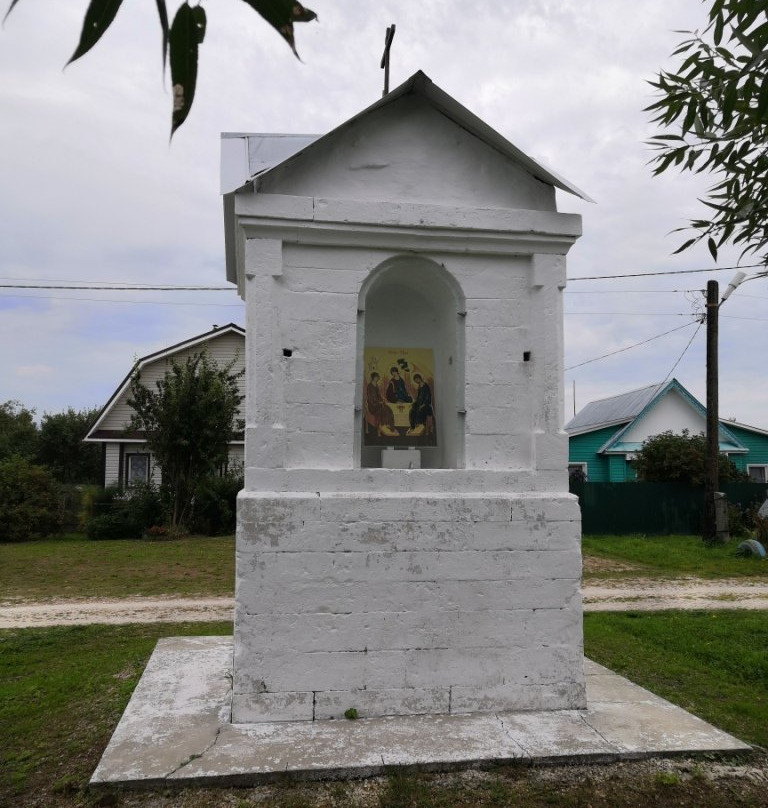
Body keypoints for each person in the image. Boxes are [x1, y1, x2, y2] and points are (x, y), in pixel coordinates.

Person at [365, 372, 398, 436]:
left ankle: (389, 425)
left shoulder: (376, 385)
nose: (378, 378)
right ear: (373, 377)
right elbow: (371, 398)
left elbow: (378, 395)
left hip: (378, 404)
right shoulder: (370, 386)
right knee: (384, 410)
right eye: (377, 377)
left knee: (389, 409)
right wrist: (378, 402)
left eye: (378, 377)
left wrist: (382, 400)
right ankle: (382, 427)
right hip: (372, 405)